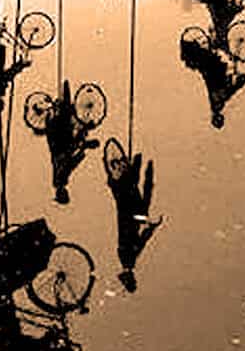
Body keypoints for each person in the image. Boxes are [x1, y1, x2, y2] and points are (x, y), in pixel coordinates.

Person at [106, 145, 161, 292]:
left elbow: (140, 240)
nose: (133, 278)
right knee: (134, 192)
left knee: (138, 196)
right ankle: (138, 165)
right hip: (128, 214)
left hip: (129, 215)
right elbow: (140, 239)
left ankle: (140, 165)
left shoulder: (128, 261)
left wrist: (150, 228)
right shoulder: (126, 260)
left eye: (132, 281)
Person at [34, 81, 98, 204]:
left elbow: (68, 162)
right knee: (71, 119)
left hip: (61, 141)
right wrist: (82, 148)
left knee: (67, 116)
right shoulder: (60, 180)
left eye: (61, 194)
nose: (62, 192)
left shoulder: (59, 180)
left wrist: (82, 148)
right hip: (62, 141)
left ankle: (64, 104)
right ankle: (66, 105)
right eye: (62, 195)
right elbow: (70, 162)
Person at [180, 32, 245, 129]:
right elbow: (229, 91)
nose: (220, 117)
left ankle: (213, 38)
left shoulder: (217, 105)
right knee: (210, 56)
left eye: (219, 119)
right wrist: (238, 84)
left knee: (208, 57)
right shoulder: (218, 104)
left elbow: (228, 91)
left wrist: (239, 84)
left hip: (213, 71)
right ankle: (212, 39)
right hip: (213, 71)